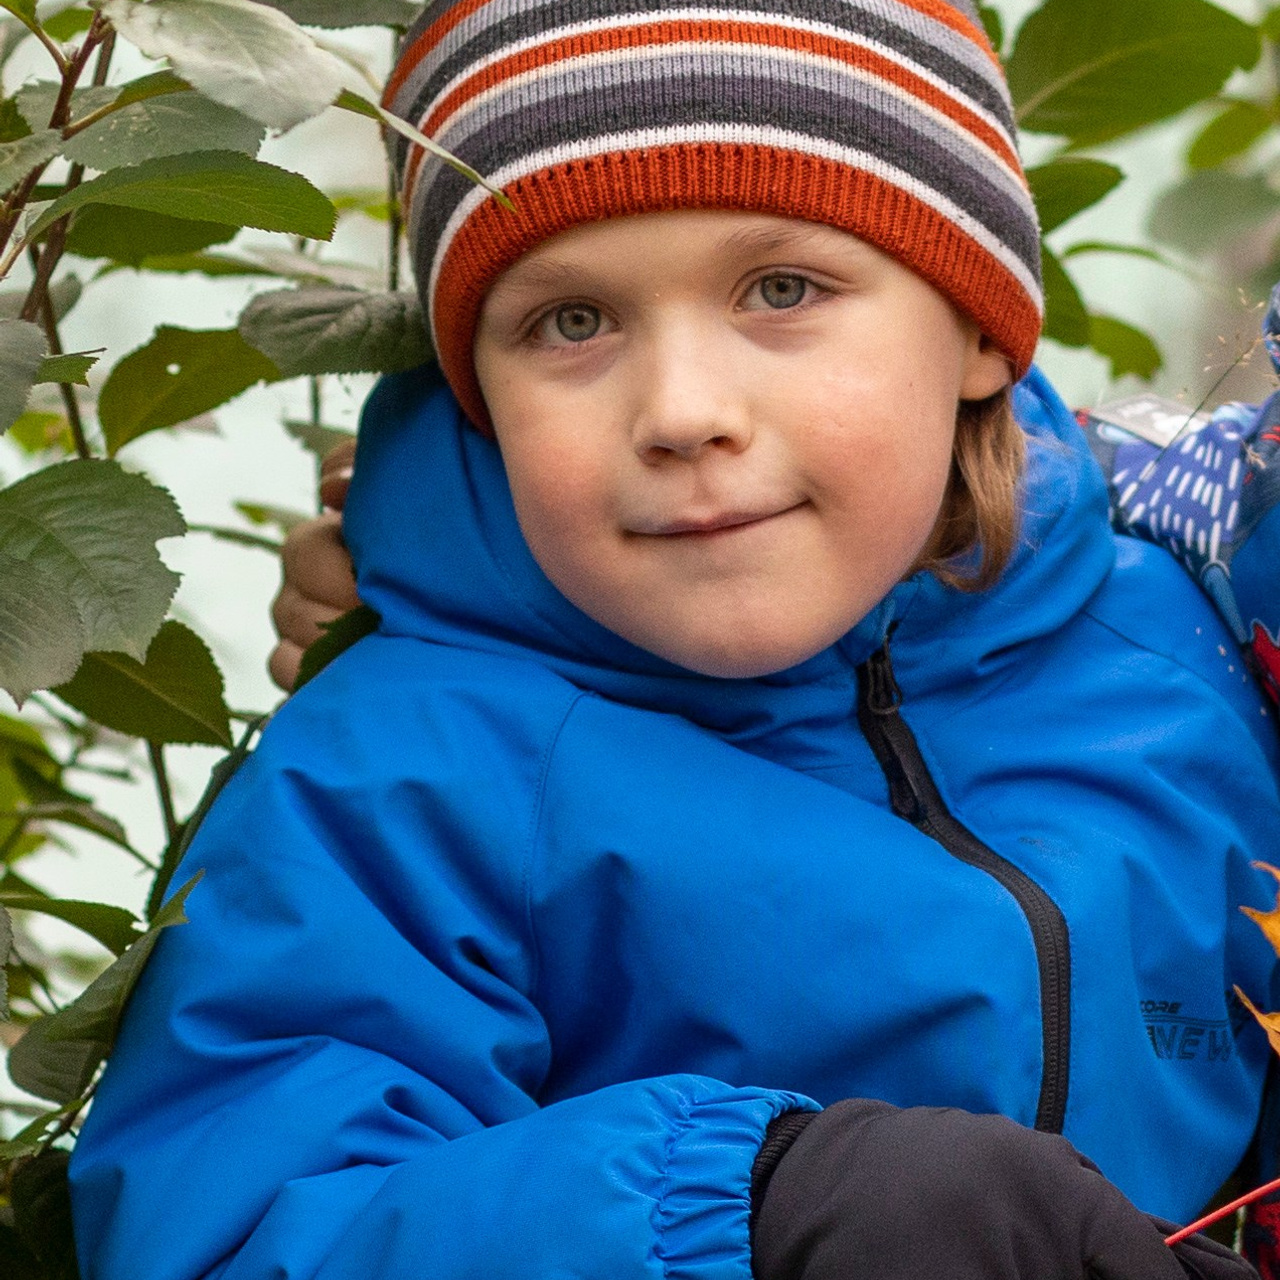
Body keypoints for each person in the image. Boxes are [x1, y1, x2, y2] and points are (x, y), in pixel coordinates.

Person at [68, 3, 1280, 1279]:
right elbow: (230, 1231)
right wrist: (752, 1211)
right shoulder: (403, 772)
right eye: (570, 323)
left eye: (781, 288)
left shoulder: (1184, 643)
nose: (682, 411)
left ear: (981, 325)